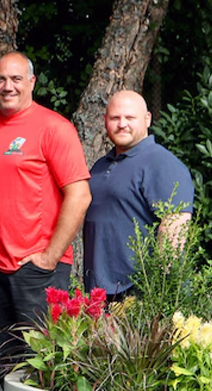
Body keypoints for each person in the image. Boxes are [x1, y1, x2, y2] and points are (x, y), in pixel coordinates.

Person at [0, 52, 90, 391]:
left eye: (16, 79)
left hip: (37, 268)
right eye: (0, 79)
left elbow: (79, 194)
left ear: (32, 81)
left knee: (49, 359)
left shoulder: (54, 128)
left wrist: (49, 256)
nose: (7, 86)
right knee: (9, 358)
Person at [83, 90, 194, 297]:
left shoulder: (162, 163)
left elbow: (175, 226)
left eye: (130, 118)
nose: (122, 124)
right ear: (105, 120)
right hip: (101, 293)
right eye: (115, 118)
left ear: (147, 119)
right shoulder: (99, 166)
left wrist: (158, 290)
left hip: (140, 292)